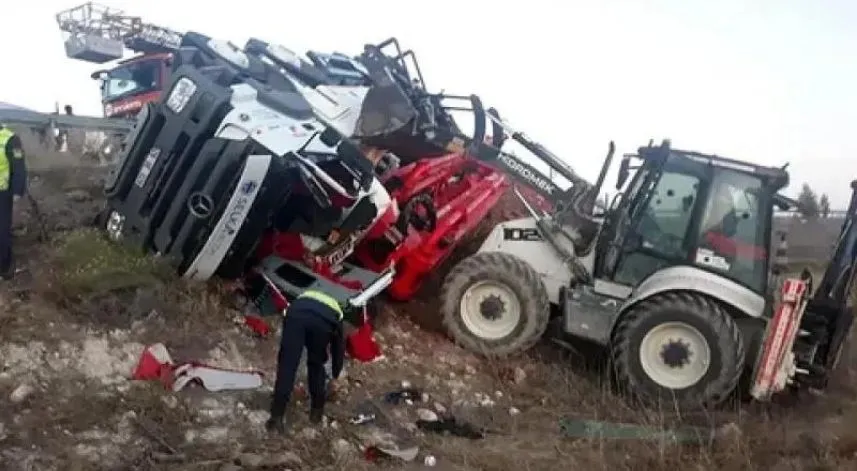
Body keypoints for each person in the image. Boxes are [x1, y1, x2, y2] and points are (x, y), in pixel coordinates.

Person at [266, 289, 346, 433]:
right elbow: (338, 348)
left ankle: (276, 418)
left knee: (288, 365)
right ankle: (316, 412)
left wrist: (284, 357)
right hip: (324, 322)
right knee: (316, 365)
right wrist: (335, 373)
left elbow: (285, 345)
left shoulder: (304, 296)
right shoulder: (337, 311)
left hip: (296, 314)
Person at [0, 123, 27, 280]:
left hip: (3, 193)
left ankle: (5, 268)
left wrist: (17, 191)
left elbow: (18, 167)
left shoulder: (10, 139)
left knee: (2, 231)